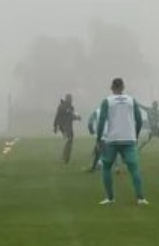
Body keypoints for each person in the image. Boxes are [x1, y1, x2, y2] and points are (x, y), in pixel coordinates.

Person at [94, 77, 147, 205]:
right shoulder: (131, 100)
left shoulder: (107, 101)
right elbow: (139, 120)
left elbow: (101, 121)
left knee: (106, 167)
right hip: (129, 139)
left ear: (112, 88)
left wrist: (99, 139)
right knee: (134, 168)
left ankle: (110, 198)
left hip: (112, 139)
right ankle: (141, 198)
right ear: (123, 87)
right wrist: (135, 134)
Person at [53, 94, 81, 164]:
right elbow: (59, 116)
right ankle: (65, 157)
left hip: (66, 126)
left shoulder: (65, 106)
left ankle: (65, 157)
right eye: (70, 98)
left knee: (69, 140)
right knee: (69, 140)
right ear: (67, 99)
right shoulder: (65, 107)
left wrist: (55, 126)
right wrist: (77, 118)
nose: (71, 100)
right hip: (65, 126)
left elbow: (69, 116)